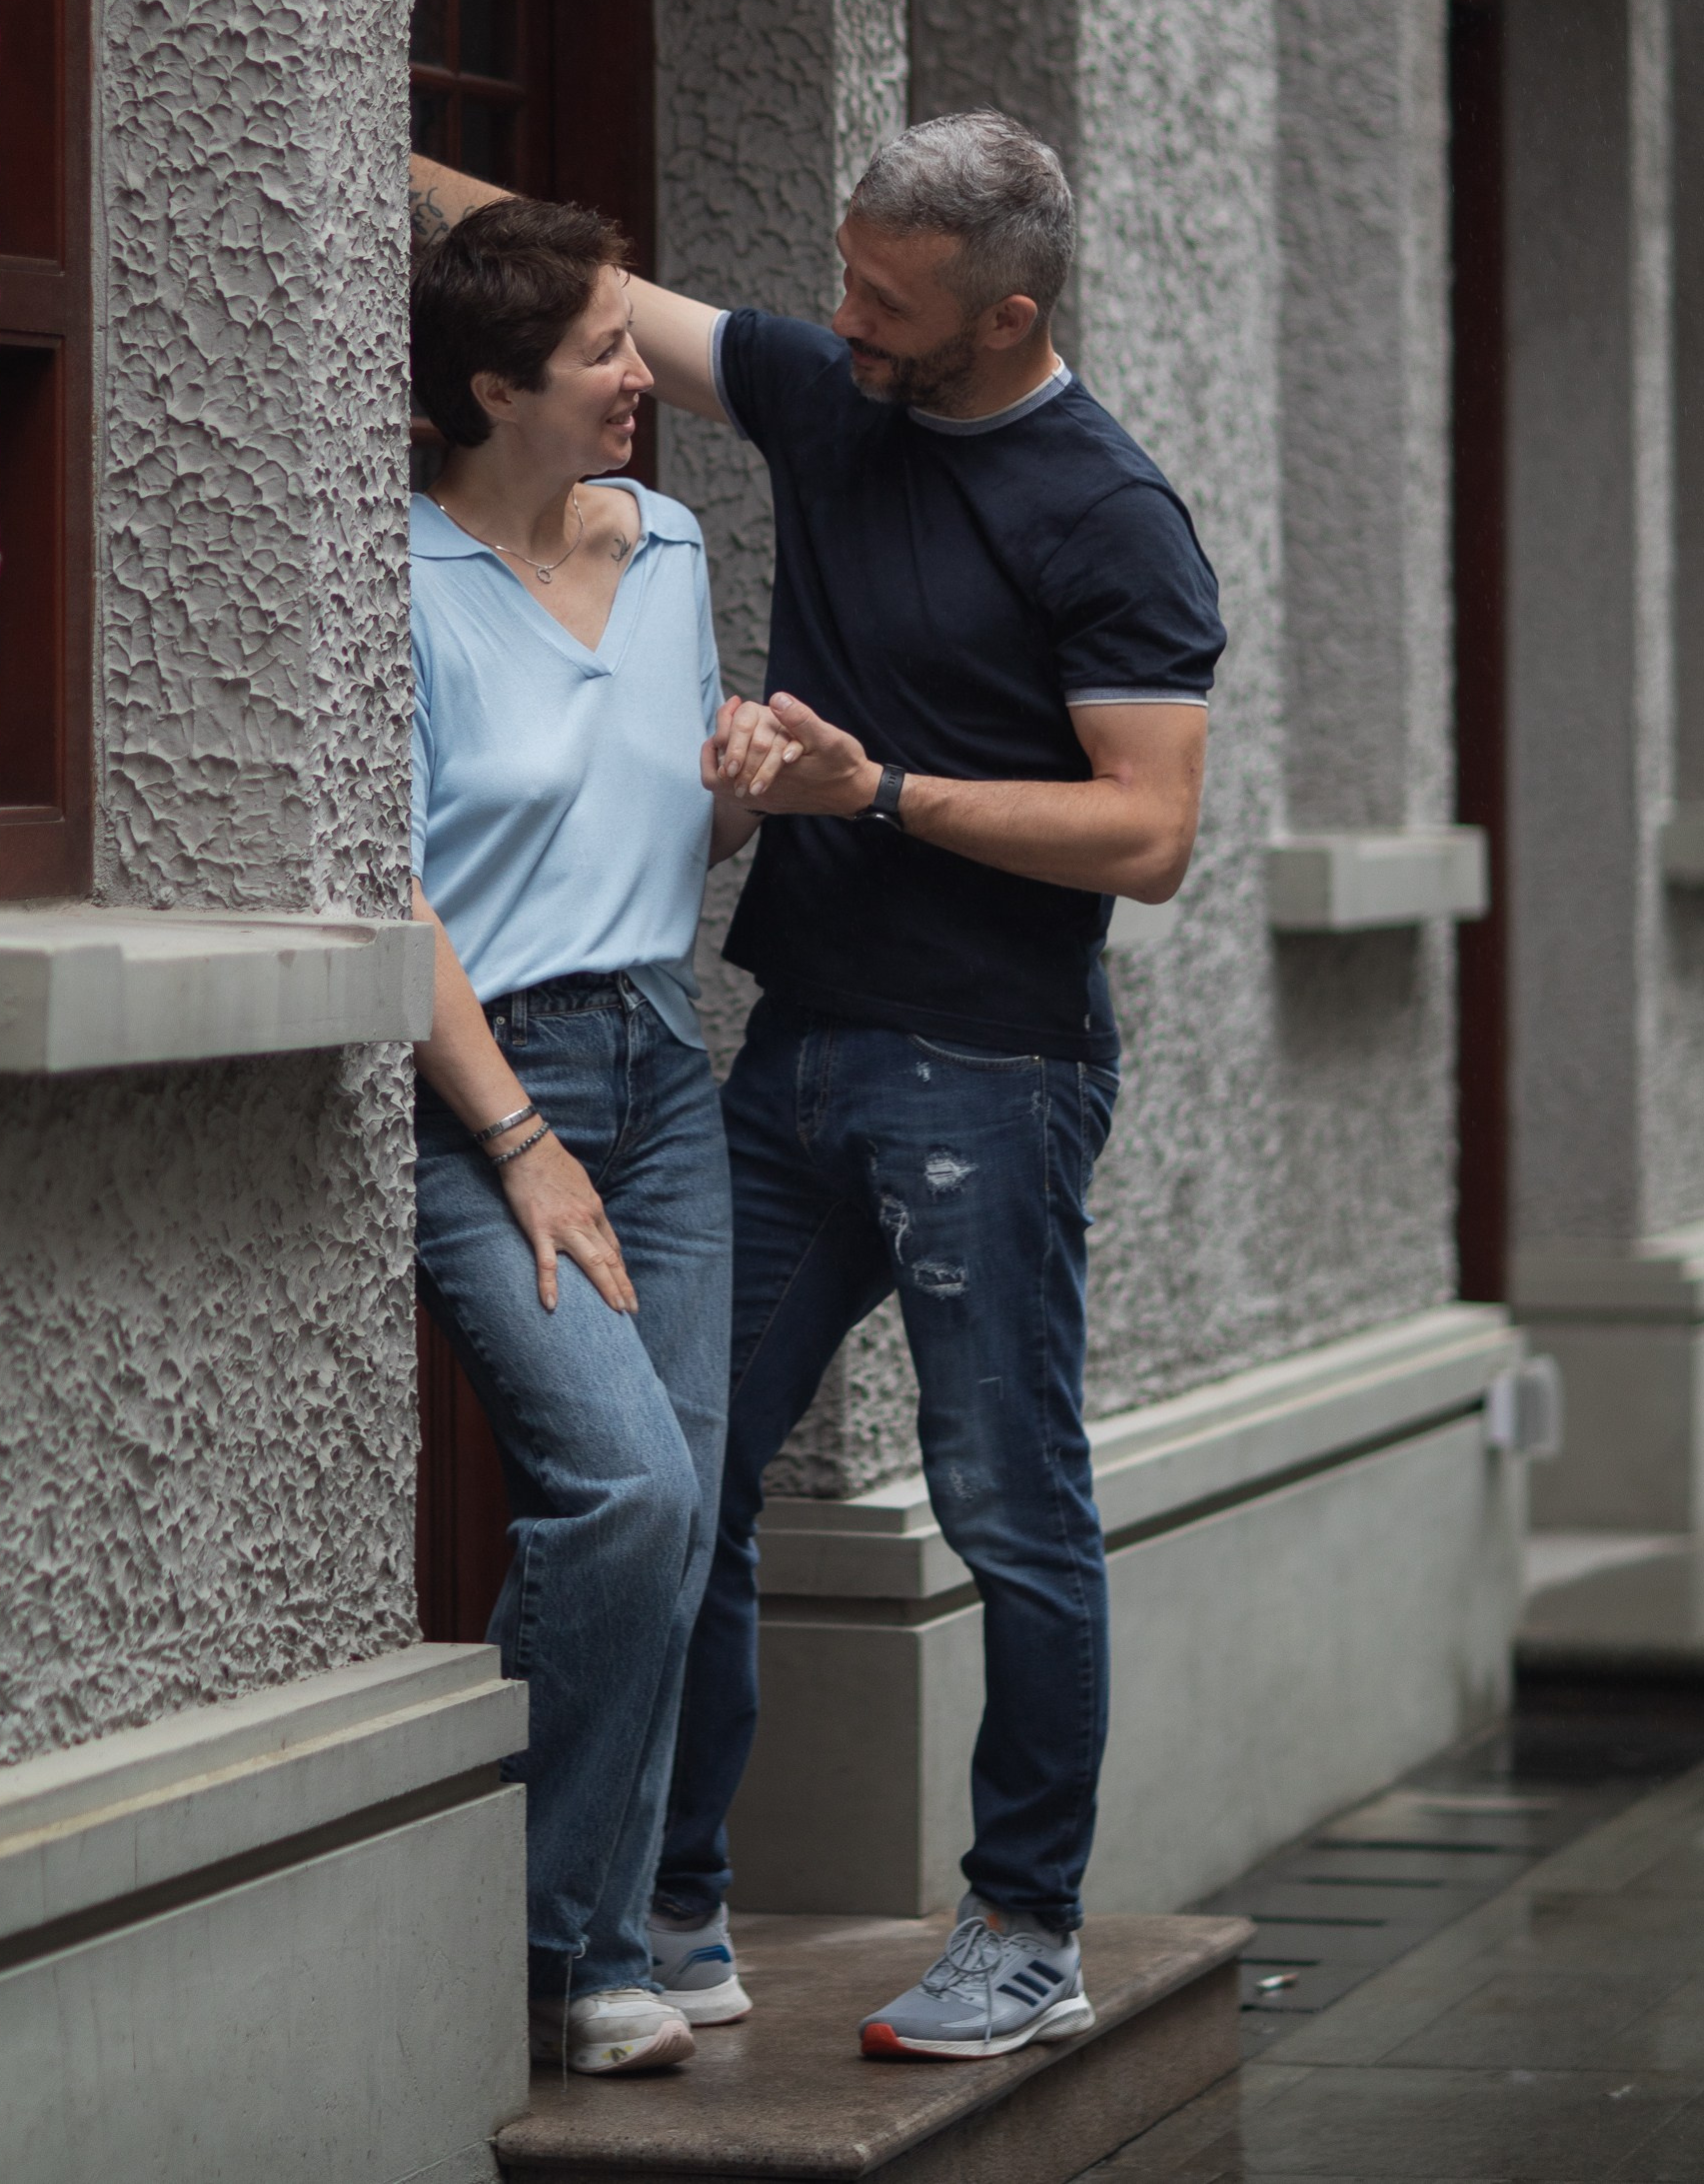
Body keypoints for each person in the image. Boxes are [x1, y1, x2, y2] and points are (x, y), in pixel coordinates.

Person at [409, 112, 1223, 2062]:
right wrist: (361, 103)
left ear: (999, 314)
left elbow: (1149, 833)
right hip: (775, 1061)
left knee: (1009, 1508)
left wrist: (869, 792)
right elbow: (588, 299)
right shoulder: (835, 388)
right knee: (690, 1483)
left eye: (882, 297)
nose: (831, 317)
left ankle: (1024, 1927)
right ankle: (666, 1904)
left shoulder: (1104, 513)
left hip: (987, 1078)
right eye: (839, 276)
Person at [407, 195, 796, 2078]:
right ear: (497, 391)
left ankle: (568, 1928)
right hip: (490, 1088)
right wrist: (515, 1143)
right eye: (605, 354)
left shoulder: (671, 547)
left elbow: (658, 838)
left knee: (670, 1512)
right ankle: (568, 1943)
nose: (647, 377)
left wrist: (740, 799)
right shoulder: (397, 580)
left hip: (662, 1059)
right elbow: (397, 899)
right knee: (625, 1492)